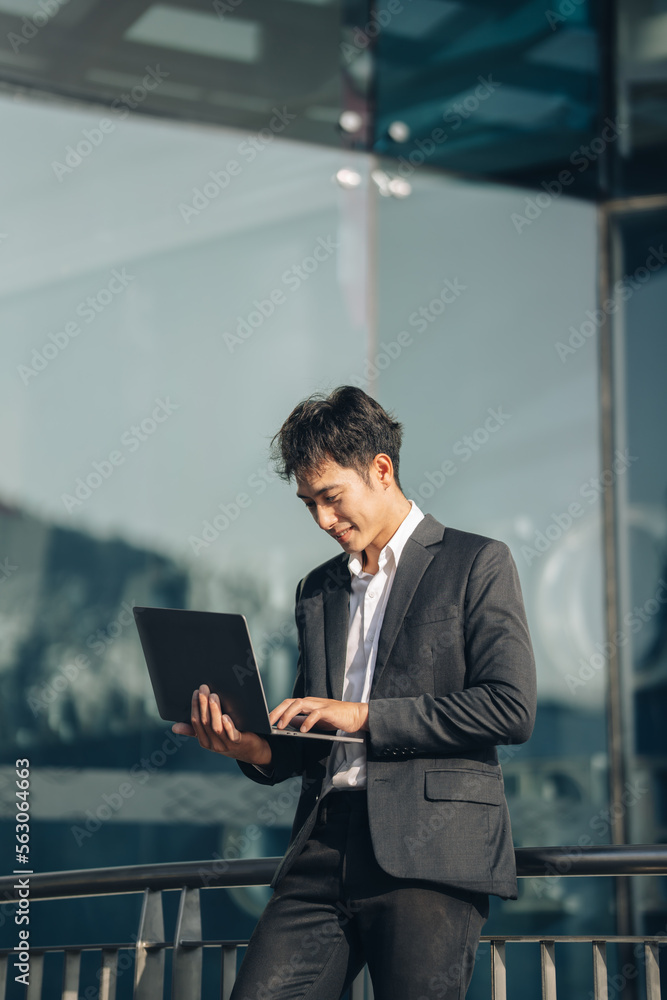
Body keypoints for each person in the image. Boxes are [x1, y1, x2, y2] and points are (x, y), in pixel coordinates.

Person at [173, 385, 537, 1000]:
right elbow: (313, 734)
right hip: (321, 846)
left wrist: (363, 716)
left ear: (382, 470)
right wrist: (251, 748)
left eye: (332, 497)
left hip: (430, 853)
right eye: (308, 503)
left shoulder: (477, 563)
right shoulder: (316, 590)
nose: (322, 519)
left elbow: (510, 705)